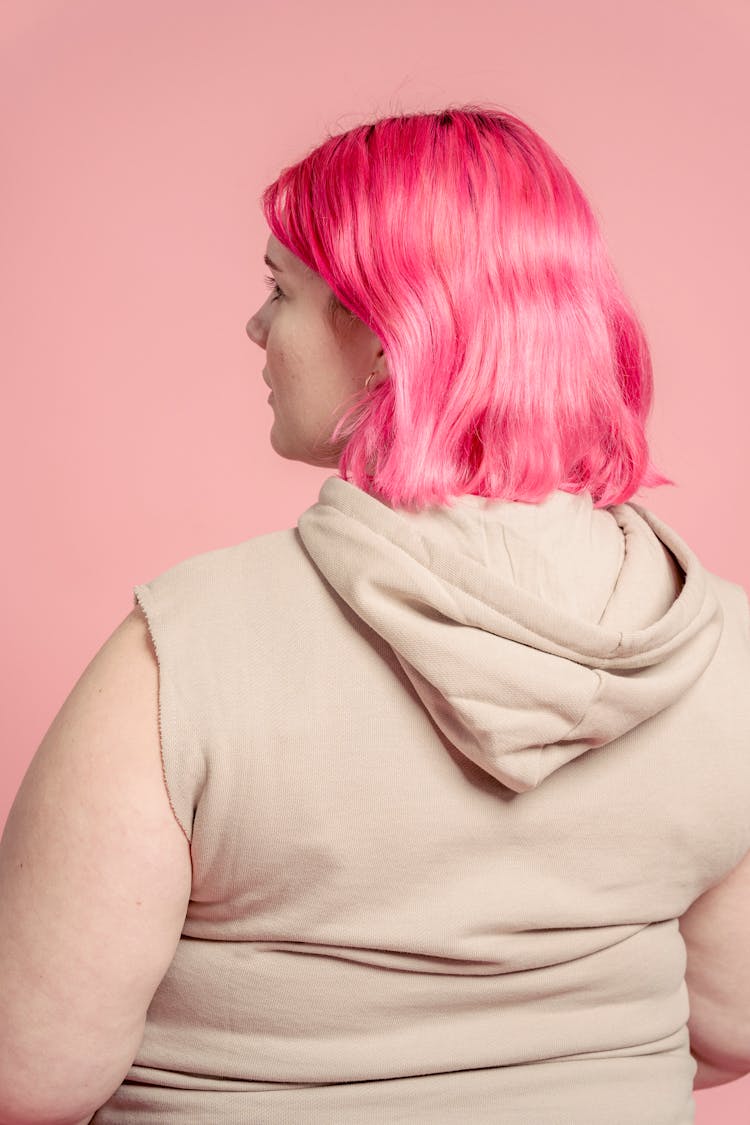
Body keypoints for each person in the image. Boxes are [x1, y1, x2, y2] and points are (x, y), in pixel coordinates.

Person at [1, 105, 749, 1125]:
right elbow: (728, 1023)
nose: (256, 328)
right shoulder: (725, 651)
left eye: (281, 290)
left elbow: (30, 1072)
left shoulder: (184, 652)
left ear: (393, 335)